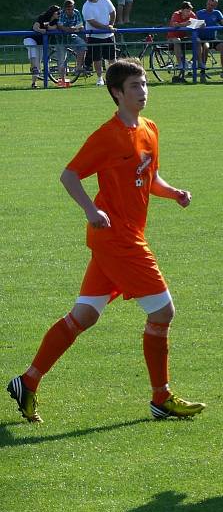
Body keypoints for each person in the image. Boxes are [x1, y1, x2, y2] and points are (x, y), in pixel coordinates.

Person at [6, 57, 206, 424]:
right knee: (163, 312)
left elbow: (150, 178)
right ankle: (160, 398)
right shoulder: (106, 136)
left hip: (123, 237)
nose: (143, 91)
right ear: (116, 93)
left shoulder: (150, 128)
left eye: (144, 84)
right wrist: (89, 210)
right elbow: (69, 176)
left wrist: (174, 192)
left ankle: (27, 381)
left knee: (84, 315)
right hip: (117, 239)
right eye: (134, 86)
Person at [81, 0, 116, 86]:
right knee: (97, 58)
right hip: (94, 36)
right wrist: (106, 27)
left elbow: (113, 12)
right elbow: (92, 22)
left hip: (109, 35)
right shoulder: (86, 6)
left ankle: (113, 77)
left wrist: (111, 25)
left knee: (112, 58)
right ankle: (100, 78)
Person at [195, 0, 223, 81]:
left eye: (212, 5)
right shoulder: (199, 13)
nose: (209, 6)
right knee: (206, 46)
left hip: (212, 38)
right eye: (208, 4)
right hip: (202, 39)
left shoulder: (217, 13)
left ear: (215, 6)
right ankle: (202, 71)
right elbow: (193, 24)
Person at [23, 5, 60, 89]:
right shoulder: (42, 17)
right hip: (30, 38)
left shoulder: (55, 21)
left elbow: (53, 28)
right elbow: (35, 27)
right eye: (58, 13)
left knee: (38, 63)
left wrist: (48, 27)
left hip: (40, 43)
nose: (59, 14)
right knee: (32, 49)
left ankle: (33, 83)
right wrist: (41, 30)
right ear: (53, 12)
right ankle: (33, 67)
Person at [55, 0, 89, 84]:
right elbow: (60, 26)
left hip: (72, 35)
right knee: (61, 59)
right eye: (68, 9)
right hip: (61, 38)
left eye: (71, 9)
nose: (70, 11)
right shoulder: (61, 13)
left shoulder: (76, 12)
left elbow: (80, 25)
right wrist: (69, 29)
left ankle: (78, 67)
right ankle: (62, 80)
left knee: (82, 45)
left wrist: (74, 29)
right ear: (65, 9)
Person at [166, 1, 197, 83]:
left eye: (190, 10)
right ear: (182, 10)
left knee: (198, 41)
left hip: (184, 37)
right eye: (187, 11)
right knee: (177, 40)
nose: (189, 13)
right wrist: (185, 24)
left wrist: (202, 24)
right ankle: (180, 64)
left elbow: (197, 22)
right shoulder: (176, 14)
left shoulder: (192, 14)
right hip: (172, 37)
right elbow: (174, 25)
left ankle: (196, 63)